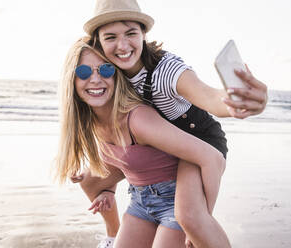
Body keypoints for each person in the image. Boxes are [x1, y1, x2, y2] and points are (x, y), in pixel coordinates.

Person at [75, 0, 268, 247]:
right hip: (157, 146)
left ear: (143, 34)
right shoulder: (106, 71)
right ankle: (112, 234)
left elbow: (209, 96)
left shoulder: (166, 70)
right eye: (110, 37)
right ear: (98, 42)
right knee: (89, 179)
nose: (122, 46)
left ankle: (199, 229)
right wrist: (104, 183)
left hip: (197, 141)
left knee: (189, 216)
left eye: (131, 33)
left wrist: (239, 101)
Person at [55, 38, 226, 248]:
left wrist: (200, 221)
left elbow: (212, 157)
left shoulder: (138, 119)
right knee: (86, 178)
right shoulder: (90, 119)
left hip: (176, 201)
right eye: (83, 72)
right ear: (71, 79)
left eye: (106, 70)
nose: (96, 79)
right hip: (140, 202)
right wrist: (108, 191)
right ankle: (111, 238)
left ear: (116, 75)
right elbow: (122, 160)